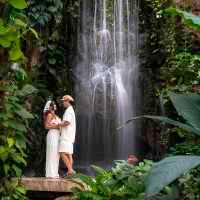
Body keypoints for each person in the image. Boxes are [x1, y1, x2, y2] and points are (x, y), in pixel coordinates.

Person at [43, 100, 63, 178]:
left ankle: (55, 173)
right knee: (52, 153)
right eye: (52, 104)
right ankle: (50, 173)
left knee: (56, 154)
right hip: (52, 135)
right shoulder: (49, 115)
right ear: (50, 106)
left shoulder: (56, 116)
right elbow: (46, 126)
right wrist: (57, 126)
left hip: (57, 135)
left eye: (54, 104)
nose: (54, 105)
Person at [59, 95, 76, 176]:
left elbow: (67, 122)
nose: (62, 103)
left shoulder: (68, 110)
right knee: (69, 154)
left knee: (62, 153)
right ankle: (70, 172)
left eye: (63, 101)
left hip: (66, 136)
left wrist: (58, 124)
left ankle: (70, 170)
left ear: (67, 101)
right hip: (70, 136)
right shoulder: (71, 110)